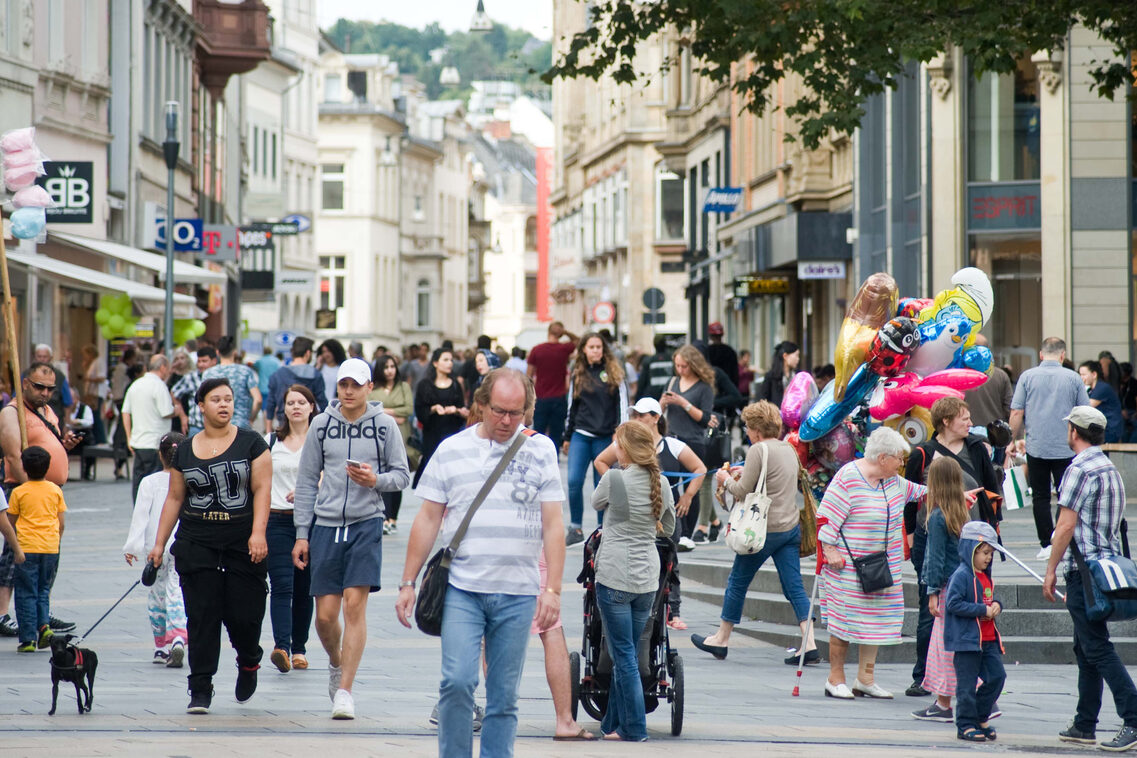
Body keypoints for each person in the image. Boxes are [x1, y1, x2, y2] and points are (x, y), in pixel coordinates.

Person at [397, 368, 565, 758]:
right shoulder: (452, 449)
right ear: (481, 405)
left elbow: (554, 525)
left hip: (518, 592)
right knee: (457, 682)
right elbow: (427, 519)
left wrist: (553, 589)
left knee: (504, 696)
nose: (507, 421)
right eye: (499, 411)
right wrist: (407, 582)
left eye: (517, 413)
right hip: (462, 588)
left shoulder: (540, 450)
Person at [292, 358, 410, 720]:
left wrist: (376, 481)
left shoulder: (385, 426)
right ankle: (335, 660)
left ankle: (345, 690)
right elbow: (307, 480)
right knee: (325, 617)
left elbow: (402, 476)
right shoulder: (322, 426)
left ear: (369, 387)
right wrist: (302, 533)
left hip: (366, 522)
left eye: (356, 384)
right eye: (343, 384)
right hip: (326, 525)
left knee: (353, 606)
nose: (348, 390)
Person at [146, 377, 272, 715]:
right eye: (216, 399)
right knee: (201, 617)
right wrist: (159, 544)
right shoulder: (183, 450)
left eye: (228, 399)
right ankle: (200, 686)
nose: (224, 405)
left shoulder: (252, 444)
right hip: (196, 541)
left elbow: (262, 490)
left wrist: (258, 533)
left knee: (245, 617)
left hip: (242, 542)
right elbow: (175, 498)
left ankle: (249, 660)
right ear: (200, 405)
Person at [690, 401, 815, 664]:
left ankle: (721, 639)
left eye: (748, 427)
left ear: (757, 429)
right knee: (794, 587)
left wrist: (726, 479)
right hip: (789, 527)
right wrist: (744, 473)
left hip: (763, 529)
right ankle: (809, 643)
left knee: (737, 581)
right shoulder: (789, 448)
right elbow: (775, 482)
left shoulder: (758, 449)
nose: (746, 431)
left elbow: (741, 492)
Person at [1043, 405, 1137, 751]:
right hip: (1105, 567)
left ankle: (1133, 716)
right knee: (1086, 647)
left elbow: (1065, 525)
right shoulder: (1108, 466)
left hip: (1083, 571)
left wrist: (1050, 570)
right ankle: (1084, 723)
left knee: (1096, 647)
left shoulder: (1079, 469)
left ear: (1074, 432)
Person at [817, 426, 926, 700]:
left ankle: (865, 678)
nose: (902, 464)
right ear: (883, 458)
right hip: (848, 566)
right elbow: (827, 519)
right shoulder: (848, 478)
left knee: (875, 622)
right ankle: (835, 678)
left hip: (881, 568)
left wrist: (955, 495)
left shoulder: (893, 482)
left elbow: (919, 492)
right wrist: (830, 551)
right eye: (899, 458)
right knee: (843, 622)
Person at [590, 421, 676, 741]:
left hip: (614, 576)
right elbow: (667, 526)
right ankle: (610, 725)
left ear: (623, 449)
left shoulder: (614, 478)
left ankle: (635, 728)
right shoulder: (662, 483)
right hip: (646, 581)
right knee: (624, 652)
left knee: (623, 655)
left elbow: (596, 503)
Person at [594, 397, 706, 630]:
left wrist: (688, 496)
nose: (637, 419)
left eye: (641, 415)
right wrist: (616, 488)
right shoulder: (625, 444)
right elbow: (600, 462)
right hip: (639, 519)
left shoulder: (672, 445)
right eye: (634, 415)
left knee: (670, 560)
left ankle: (673, 611)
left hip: (662, 513)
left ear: (656, 418)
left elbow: (700, 469)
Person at [0, 363, 81, 639]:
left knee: (48, 553)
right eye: (38, 387)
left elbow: (49, 442)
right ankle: (2, 613)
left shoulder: (47, 411)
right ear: (25, 383)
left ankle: (39, 613)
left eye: (49, 388)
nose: (45, 393)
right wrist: (31, 489)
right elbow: (13, 455)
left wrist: (64, 445)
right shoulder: (12, 413)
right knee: (16, 554)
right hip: (24, 489)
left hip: (50, 491)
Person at [1009, 337, 1090, 560]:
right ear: (1063, 355)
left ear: (1041, 354)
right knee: (1066, 495)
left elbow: (1017, 412)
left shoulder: (1027, 377)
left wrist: (1010, 440)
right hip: (1067, 447)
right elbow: (1085, 412)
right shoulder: (1073, 378)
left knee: (1041, 497)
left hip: (1036, 446)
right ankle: (1059, 538)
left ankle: (1046, 544)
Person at [910, 457, 970, 722]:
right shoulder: (962, 512)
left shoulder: (936, 516)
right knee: (956, 644)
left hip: (945, 588)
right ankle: (951, 699)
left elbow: (934, 558)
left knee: (942, 647)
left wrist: (932, 591)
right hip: (963, 585)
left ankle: (948, 702)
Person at [264, 385, 318, 674]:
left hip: (311, 522)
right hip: (277, 520)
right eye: (290, 403)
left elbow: (332, 476)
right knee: (282, 585)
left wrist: (312, 488)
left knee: (303, 588)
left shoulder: (320, 440)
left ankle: (300, 648)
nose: (296, 407)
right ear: (283, 409)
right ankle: (282, 647)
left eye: (301, 402)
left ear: (312, 406)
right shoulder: (272, 441)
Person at [123, 432, 187, 668]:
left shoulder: (149, 482)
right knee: (177, 592)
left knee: (157, 596)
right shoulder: (188, 480)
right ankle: (178, 637)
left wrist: (132, 547)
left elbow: (140, 516)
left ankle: (160, 646)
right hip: (182, 544)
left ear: (161, 456)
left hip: (155, 547)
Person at [944, 521, 1006, 743]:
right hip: (967, 641)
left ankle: (980, 716)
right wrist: (982, 609)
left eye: (990, 553)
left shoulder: (985, 576)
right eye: (984, 552)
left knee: (997, 677)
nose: (988, 557)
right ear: (971, 550)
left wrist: (997, 604)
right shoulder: (961, 575)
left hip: (988, 639)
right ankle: (965, 723)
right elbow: (953, 603)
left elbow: (989, 599)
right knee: (967, 686)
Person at [563, 333, 627, 545]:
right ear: (584, 350)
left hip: (605, 438)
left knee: (603, 484)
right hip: (581, 434)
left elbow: (622, 404)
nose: (596, 350)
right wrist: (567, 436)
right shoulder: (577, 373)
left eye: (599, 347)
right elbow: (572, 407)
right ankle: (575, 527)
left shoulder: (614, 372)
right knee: (573, 481)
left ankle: (603, 529)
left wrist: (620, 431)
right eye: (591, 347)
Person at [8, 446, 66, 652]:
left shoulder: (19, 492)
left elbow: (11, 520)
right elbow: (61, 522)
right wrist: (55, 540)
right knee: (43, 590)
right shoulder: (55, 490)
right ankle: (44, 627)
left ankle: (28, 639)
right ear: (48, 467)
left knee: (25, 592)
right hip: (50, 547)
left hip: (26, 547)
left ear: (23, 467)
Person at [659, 345, 714, 549]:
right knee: (671, 485)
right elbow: (658, 412)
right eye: (677, 366)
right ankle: (675, 528)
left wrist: (684, 403)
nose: (680, 370)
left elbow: (705, 419)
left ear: (694, 365)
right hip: (672, 439)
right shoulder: (672, 381)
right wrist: (663, 403)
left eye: (684, 366)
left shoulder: (704, 387)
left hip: (693, 441)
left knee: (692, 487)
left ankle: (688, 533)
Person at [412, 347, 467, 489]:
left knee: (450, 474)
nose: (450, 363)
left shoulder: (455, 384)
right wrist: (433, 409)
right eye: (446, 360)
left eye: (451, 360)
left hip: (451, 433)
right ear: (436, 363)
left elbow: (461, 408)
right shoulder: (425, 385)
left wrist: (455, 410)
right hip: (432, 435)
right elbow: (419, 410)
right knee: (432, 475)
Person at [369, 355, 413, 534]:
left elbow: (408, 410)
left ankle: (393, 517)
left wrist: (383, 411)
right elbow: (369, 407)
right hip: (378, 436)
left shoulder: (404, 387)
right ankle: (384, 516)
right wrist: (394, 415)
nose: (389, 370)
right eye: (385, 367)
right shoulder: (373, 389)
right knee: (382, 474)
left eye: (392, 366)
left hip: (401, 436)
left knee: (397, 474)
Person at [123, 354, 176, 502]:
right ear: (163, 367)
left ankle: (138, 511)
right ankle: (151, 514)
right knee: (154, 483)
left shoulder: (135, 385)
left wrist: (129, 437)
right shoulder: (159, 386)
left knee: (138, 482)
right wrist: (177, 410)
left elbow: (125, 412)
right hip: (155, 442)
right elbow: (166, 412)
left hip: (138, 441)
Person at [527, 321, 578, 451]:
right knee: (556, 435)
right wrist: (565, 332)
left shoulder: (537, 349)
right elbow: (579, 341)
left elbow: (528, 377)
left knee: (538, 433)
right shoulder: (564, 349)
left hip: (541, 398)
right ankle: (553, 460)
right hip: (559, 398)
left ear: (548, 332)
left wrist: (529, 398)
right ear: (560, 334)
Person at [264, 337, 327, 432]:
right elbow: (322, 403)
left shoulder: (277, 375)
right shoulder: (315, 375)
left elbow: (270, 405)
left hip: (283, 424)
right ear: (308, 353)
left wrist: (269, 431)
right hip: (308, 426)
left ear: (292, 353)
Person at [203, 337, 262, 430]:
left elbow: (202, 400)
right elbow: (258, 399)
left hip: (216, 424)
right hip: (241, 424)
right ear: (234, 352)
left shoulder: (208, 373)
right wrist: (251, 418)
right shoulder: (245, 371)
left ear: (217, 352)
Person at [962, 335, 1012, 428]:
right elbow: (1010, 408)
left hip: (966, 432)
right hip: (995, 433)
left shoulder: (958, 374)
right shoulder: (1000, 375)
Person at [172, 346, 219, 436]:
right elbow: (174, 393)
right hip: (196, 427)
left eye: (204, 361)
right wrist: (183, 416)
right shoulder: (191, 377)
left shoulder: (220, 378)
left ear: (214, 361)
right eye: (199, 361)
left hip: (216, 427)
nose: (200, 365)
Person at [1079, 360, 1124, 444]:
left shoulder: (1102, 388)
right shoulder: (1092, 390)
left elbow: (1086, 407)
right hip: (1102, 429)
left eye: (1084, 374)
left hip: (1110, 430)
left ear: (1094, 374)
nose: (1081, 377)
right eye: (1080, 374)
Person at [33, 344, 73, 430]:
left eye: (45, 357)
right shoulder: (26, 375)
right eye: (39, 356)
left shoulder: (59, 376)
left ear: (50, 358)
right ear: (35, 357)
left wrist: (67, 425)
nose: (42, 359)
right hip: (33, 423)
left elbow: (68, 403)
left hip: (55, 424)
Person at [756, 341, 800, 408]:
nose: (798, 359)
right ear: (785, 356)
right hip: (776, 416)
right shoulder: (771, 376)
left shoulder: (797, 376)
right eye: (796, 355)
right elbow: (762, 401)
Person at [80, 344, 108, 444]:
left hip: (96, 393)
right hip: (92, 393)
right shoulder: (92, 363)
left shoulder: (98, 362)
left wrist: (88, 379)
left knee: (96, 416)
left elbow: (101, 377)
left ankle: (100, 439)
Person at [635, 335, 674, 402]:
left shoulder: (649, 360)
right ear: (665, 344)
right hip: (669, 396)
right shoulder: (672, 359)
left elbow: (642, 382)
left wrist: (637, 399)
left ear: (654, 345)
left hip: (652, 398)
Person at [706, 321, 739, 387]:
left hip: (711, 387)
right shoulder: (730, 351)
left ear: (710, 336)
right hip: (728, 387)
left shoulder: (706, 351)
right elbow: (735, 374)